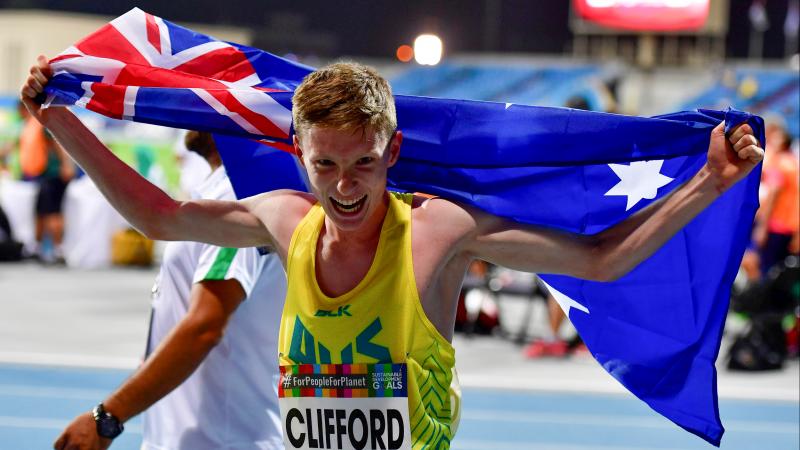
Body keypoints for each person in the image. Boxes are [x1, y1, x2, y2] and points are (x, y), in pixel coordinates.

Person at [23, 56, 763, 450]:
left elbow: (600, 260)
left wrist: (707, 183)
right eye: (326, 167)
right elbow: (159, 214)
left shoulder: (437, 230)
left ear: (393, 151)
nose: (345, 188)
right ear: (299, 155)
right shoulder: (285, 220)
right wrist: (57, 120)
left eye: (365, 165)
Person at [54, 131, 286, 450]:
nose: (186, 113)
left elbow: (205, 325)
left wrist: (107, 417)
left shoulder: (239, 195)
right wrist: (57, 120)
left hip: (222, 441)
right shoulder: (220, 191)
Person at [17, 99, 75, 263]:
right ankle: (37, 247)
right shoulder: (31, 126)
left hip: (54, 175)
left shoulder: (41, 124)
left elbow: (58, 145)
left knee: (52, 212)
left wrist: (66, 165)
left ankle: (58, 250)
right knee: (41, 211)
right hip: (45, 175)